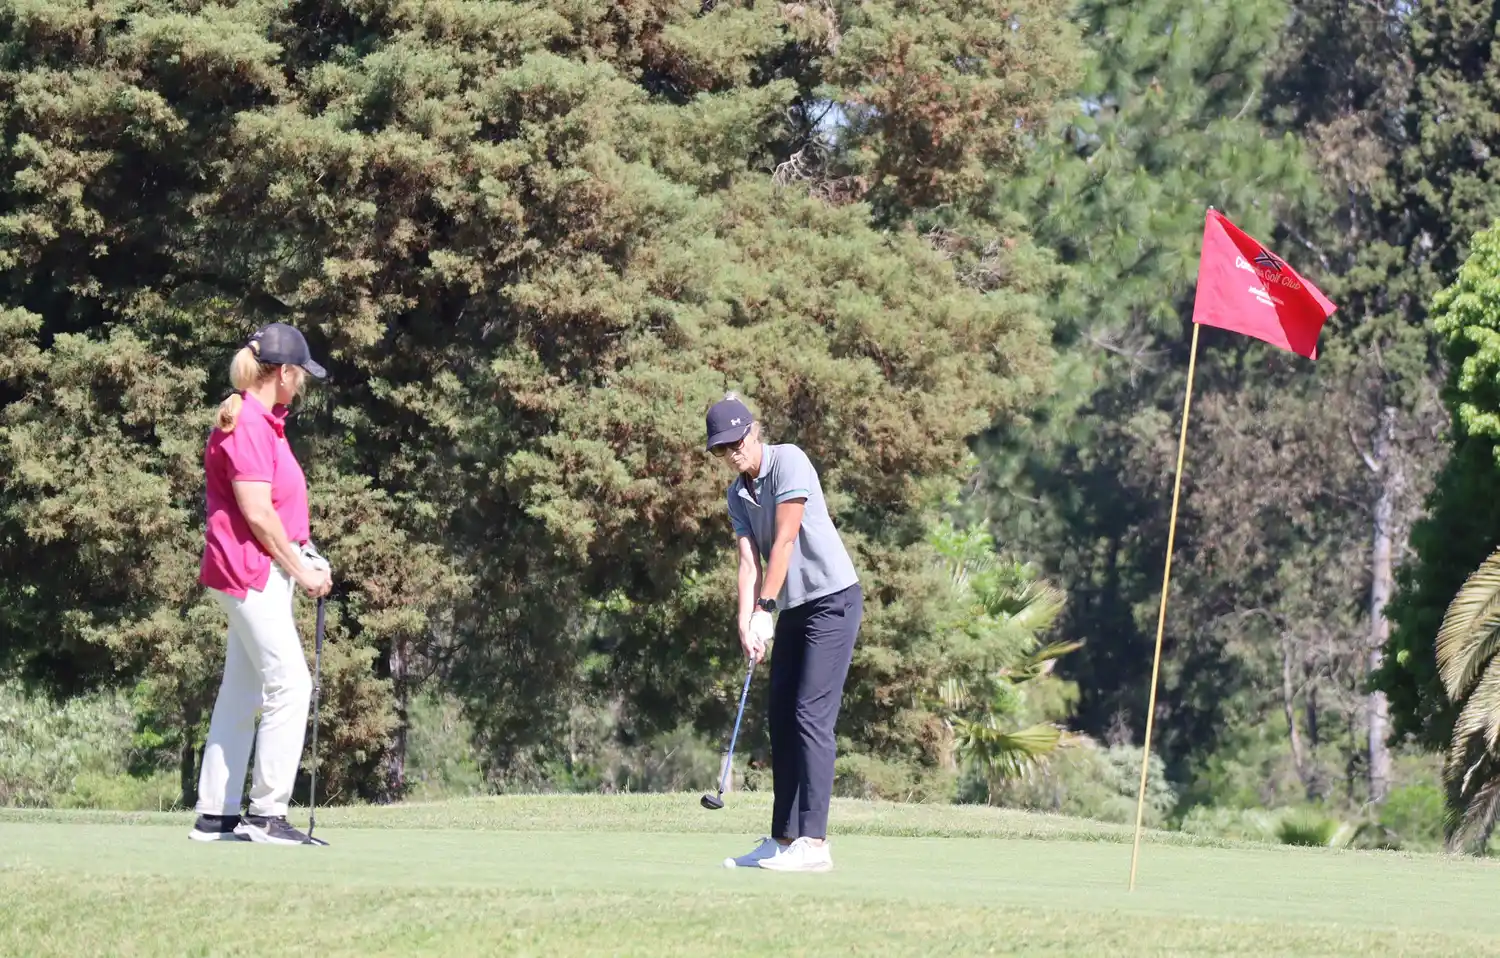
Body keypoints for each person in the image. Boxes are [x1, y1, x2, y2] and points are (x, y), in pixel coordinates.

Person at [188, 322, 333, 846]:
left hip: (256, 568)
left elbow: (280, 511)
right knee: (291, 684)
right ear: (285, 372)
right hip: (250, 571)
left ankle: (217, 815)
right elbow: (256, 513)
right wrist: (300, 569)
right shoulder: (249, 423)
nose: (303, 383)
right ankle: (267, 814)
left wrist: (305, 554)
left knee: (243, 689)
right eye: (301, 374)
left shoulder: (263, 422)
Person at [707, 393, 863, 873]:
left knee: (810, 715)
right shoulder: (737, 494)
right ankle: (784, 840)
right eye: (722, 448)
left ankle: (814, 844)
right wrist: (745, 618)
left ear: (753, 432)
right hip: (794, 607)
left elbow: (786, 538)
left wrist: (765, 607)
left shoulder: (789, 461)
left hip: (832, 600)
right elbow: (748, 562)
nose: (733, 453)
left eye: (737, 442)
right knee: (781, 716)